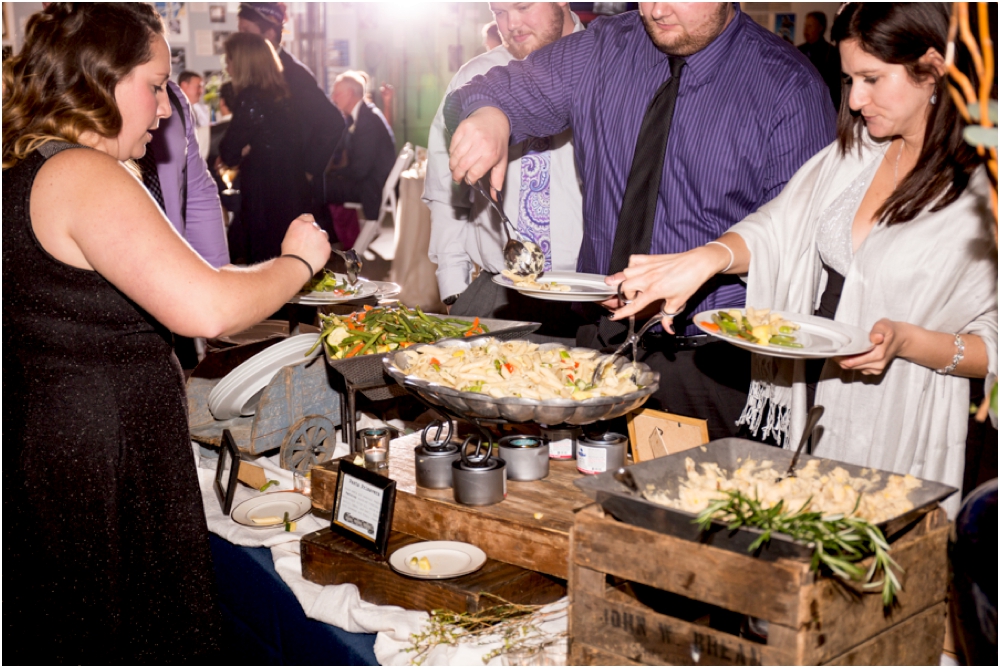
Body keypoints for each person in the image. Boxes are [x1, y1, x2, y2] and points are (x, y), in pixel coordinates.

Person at [2, 4, 330, 663]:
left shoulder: (34, 167)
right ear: (99, 78)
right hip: (102, 455)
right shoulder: (79, 174)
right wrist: (298, 262)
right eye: (154, 85)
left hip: (69, 442)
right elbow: (203, 307)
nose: (163, 110)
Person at [609, 3, 997, 515]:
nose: (856, 100)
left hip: (904, 411)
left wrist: (909, 342)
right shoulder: (859, 150)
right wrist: (705, 258)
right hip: (812, 400)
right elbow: (778, 226)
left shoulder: (982, 183)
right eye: (849, 80)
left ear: (932, 69)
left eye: (872, 79)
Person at [445, 2, 835, 437]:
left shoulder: (788, 84)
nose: (656, 8)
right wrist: (490, 116)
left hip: (713, 360)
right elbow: (493, 87)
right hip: (604, 341)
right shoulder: (602, 48)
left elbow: (801, 237)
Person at [426, 2, 585, 340]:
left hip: (588, 295)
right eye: (498, 11)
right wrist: (454, 291)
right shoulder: (473, 80)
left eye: (522, 5)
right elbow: (448, 193)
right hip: (497, 293)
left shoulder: (611, 67)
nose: (511, 23)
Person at [237, 2, 345, 221]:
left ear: (269, 33)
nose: (241, 39)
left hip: (287, 186)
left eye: (246, 31)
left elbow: (333, 122)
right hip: (266, 182)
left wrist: (307, 169)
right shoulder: (261, 71)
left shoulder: (294, 74)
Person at [220, 31, 311, 263]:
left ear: (242, 63)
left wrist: (246, 149)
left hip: (264, 192)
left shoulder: (250, 98)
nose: (227, 67)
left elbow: (228, 153)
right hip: (291, 188)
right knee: (287, 259)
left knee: (263, 261)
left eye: (229, 60)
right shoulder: (285, 95)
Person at [323, 70, 397, 235]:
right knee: (321, 181)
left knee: (317, 186)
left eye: (337, 93)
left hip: (370, 186)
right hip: (367, 180)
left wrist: (334, 173)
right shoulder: (361, 115)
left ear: (350, 94)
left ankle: (330, 241)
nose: (333, 98)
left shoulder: (367, 120)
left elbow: (360, 170)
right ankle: (338, 238)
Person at [799, 11, 841, 112]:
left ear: (820, 28)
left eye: (810, 26)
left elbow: (835, 87)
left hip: (824, 107)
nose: (806, 30)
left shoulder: (831, 53)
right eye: (805, 25)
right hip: (802, 105)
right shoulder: (798, 51)